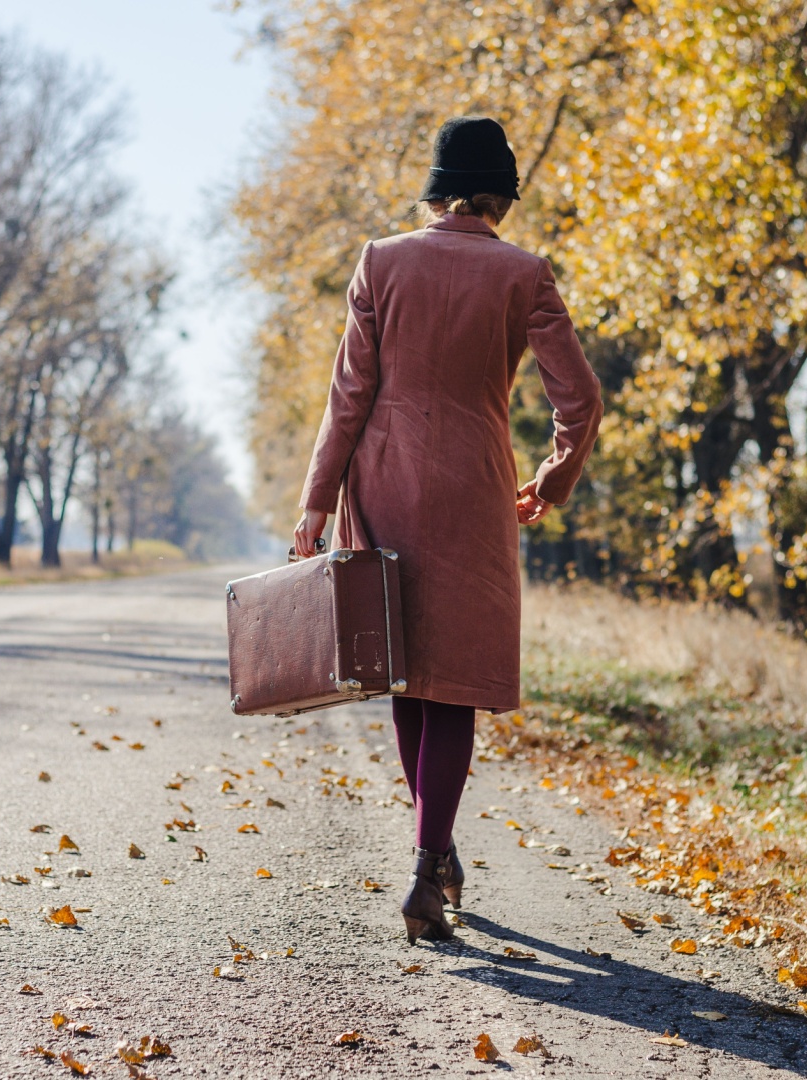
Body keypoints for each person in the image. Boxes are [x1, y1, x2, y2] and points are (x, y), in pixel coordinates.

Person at [291, 115, 603, 943]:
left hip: (381, 485)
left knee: (402, 670)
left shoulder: (381, 261)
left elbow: (347, 398)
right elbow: (582, 402)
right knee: (454, 680)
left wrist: (316, 502)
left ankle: (436, 853)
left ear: (435, 191)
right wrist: (550, 480)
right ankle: (432, 858)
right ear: (500, 198)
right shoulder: (524, 274)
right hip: (475, 490)